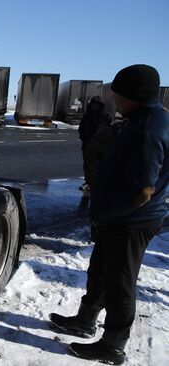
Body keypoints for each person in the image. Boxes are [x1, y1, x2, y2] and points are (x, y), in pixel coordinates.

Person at [49, 65, 169, 365]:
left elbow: (142, 190)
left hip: (130, 221)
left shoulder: (147, 128)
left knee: (120, 284)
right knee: (100, 272)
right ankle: (85, 320)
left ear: (135, 95)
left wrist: (104, 214)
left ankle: (113, 345)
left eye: (118, 91)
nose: (113, 97)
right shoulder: (143, 118)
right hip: (120, 218)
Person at [78, 96, 113, 194]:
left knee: (100, 165)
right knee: (87, 165)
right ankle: (88, 183)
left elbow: (110, 130)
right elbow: (81, 128)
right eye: (93, 104)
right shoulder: (87, 116)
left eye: (97, 105)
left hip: (101, 146)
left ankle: (98, 184)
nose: (95, 107)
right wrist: (83, 138)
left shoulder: (106, 116)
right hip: (87, 144)